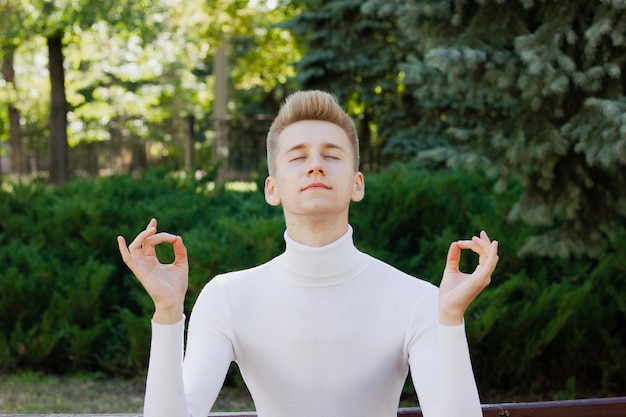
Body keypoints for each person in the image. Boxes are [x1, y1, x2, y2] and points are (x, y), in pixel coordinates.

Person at [117, 90, 499, 417]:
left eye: (332, 155)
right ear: (272, 188)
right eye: (298, 157)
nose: (315, 164)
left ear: (357, 184)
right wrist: (168, 315)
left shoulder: (418, 299)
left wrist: (450, 319)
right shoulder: (227, 297)